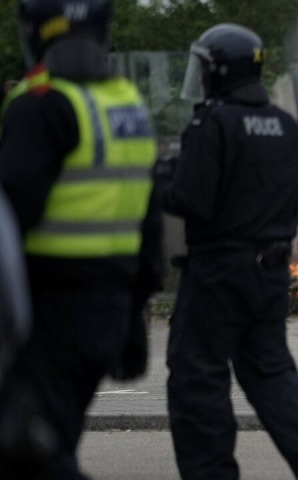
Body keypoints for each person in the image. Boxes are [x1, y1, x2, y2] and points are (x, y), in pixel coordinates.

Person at [162, 23, 298, 480]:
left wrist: (164, 177)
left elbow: (191, 200)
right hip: (270, 273)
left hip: (218, 272)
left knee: (197, 377)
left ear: (221, 69)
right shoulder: (284, 125)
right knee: (270, 371)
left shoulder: (212, 121)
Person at [0, 0, 162, 478]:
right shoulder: (125, 103)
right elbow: (148, 223)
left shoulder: (40, 103)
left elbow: (9, 219)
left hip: (46, 313)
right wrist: (133, 318)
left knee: (31, 452)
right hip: (106, 311)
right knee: (50, 439)